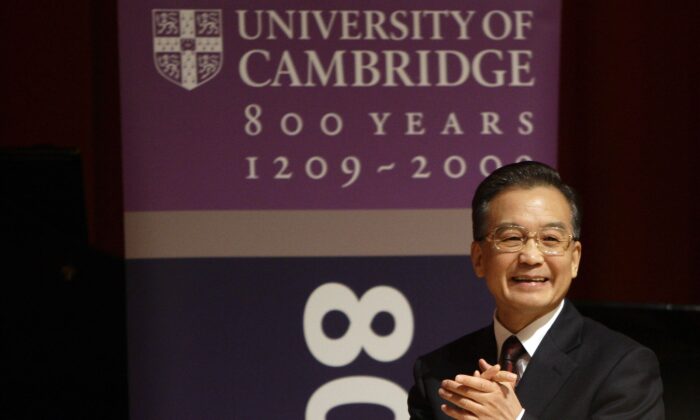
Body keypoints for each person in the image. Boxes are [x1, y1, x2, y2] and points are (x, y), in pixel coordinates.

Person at [408, 161, 664, 419]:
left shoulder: (622, 367)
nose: (531, 257)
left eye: (550, 239)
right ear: (479, 259)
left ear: (574, 259)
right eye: (511, 238)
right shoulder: (438, 373)